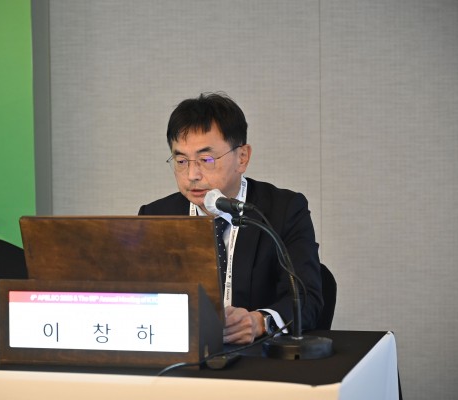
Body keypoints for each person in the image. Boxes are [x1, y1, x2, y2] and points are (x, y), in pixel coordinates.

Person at [138, 92, 323, 345]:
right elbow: (139, 300)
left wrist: (260, 322)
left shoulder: (282, 210)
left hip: (256, 356)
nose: (192, 175)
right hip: (182, 353)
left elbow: (307, 298)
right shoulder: (156, 217)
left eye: (206, 159)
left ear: (242, 157)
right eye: (181, 160)